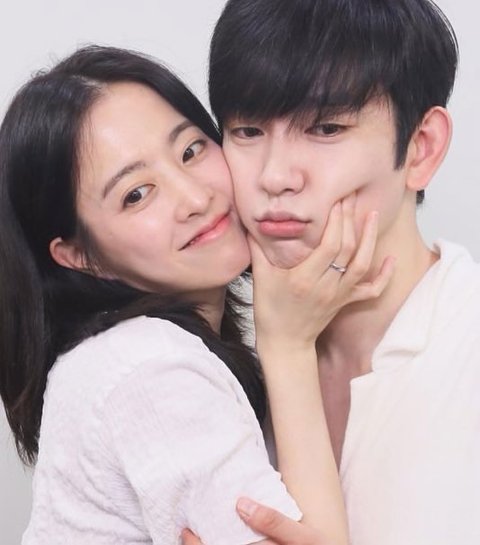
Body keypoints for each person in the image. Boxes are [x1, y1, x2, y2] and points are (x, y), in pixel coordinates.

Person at [0, 45, 390, 544]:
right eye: (136, 194)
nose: (195, 197)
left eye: (190, 150)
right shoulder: (146, 369)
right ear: (80, 255)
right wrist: (289, 345)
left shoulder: (146, 356)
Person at [183, 0, 480, 543]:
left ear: (421, 148)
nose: (275, 176)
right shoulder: (198, 364)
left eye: (325, 128)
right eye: (247, 131)